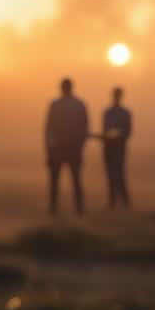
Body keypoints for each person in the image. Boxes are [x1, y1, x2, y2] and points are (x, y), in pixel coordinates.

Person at [45, 77, 89, 216]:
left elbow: (49, 129)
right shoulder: (79, 104)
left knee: (57, 181)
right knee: (74, 180)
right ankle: (78, 209)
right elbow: (84, 128)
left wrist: (49, 149)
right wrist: (81, 146)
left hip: (61, 147)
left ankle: (55, 209)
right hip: (70, 148)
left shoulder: (56, 105)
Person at [101, 86, 133, 209]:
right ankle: (113, 200)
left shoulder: (124, 113)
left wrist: (116, 135)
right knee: (110, 174)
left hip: (119, 147)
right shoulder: (108, 112)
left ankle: (123, 200)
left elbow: (127, 132)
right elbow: (105, 130)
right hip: (109, 147)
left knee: (119, 173)